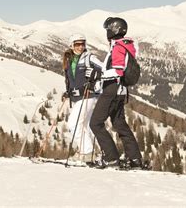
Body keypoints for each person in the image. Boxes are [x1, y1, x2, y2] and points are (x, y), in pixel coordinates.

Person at [88, 17, 143, 169]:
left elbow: (118, 71)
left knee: (95, 123)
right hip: (121, 91)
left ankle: (111, 158)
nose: (106, 32)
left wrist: (98, 76)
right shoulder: (126, 46)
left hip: (112, 90)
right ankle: (135, 159)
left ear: (114, 30)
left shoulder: (118, 47)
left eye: (108, 30)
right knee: (120, 125)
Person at [61, 33, 103, 163]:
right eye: (77, 44)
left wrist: (96, 73)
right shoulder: (69, 59)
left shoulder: (89, 57)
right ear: (71, 45)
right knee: (84, 126)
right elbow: (70, 79)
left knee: (73, 124)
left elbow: (104, 69)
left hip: (88, 95)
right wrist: (68, 92)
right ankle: (89, 153)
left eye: (82, 44)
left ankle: (86, 152)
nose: (80, 46)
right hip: (76, 97)